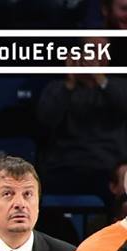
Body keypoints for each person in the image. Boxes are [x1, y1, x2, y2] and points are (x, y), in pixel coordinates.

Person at [37, 43, 127, 199]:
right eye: (89, 51)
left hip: (109, 166)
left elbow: (122, 106)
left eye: (100, 51)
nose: (92, 57)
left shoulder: (120, 86)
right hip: (66, 164)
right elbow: (46, 119)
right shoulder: (57, 88)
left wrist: (100, 79)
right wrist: (70, 83)